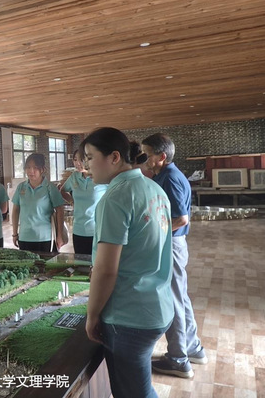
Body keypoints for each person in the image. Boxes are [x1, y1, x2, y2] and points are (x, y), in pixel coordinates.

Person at [83, 128, 173, 398]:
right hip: (157, 305)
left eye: (90, 157)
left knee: (132, 393)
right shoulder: (153, 188)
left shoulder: (116, 197)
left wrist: (92, 315)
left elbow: (106, 270)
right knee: (139, 389)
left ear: (114, 157)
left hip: (129, 315)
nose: (86, 165)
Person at [142, 133, 207, 378]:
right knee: (180, 296)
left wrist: (155, 232)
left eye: (147, 155)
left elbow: (181, 218)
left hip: (172, 244)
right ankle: (193, 348)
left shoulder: (170, 178)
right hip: (174, 244)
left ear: (161, 156)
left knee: (172, 299)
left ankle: (178, 359)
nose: (144, 159)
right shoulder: (165, 175)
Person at [11, 153, 66, 253]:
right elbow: (15, 210)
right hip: (24, 237)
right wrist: (15, 233)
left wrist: (59, 235)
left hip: (45, 237)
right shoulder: (21, 187)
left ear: (42, 169)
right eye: (28, 167)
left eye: (35, 168)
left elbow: (60, 210)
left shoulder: (49, 187)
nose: (31, 171)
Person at [59, 148, 108, 256]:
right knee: (80, 262)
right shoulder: (74, 177)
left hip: (96, 230)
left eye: (81, 159)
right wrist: (72, 201)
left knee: (95, 262)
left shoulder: (100, 178)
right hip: (78, 229)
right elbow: (62, 191)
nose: (77, 163)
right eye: (75, 159)